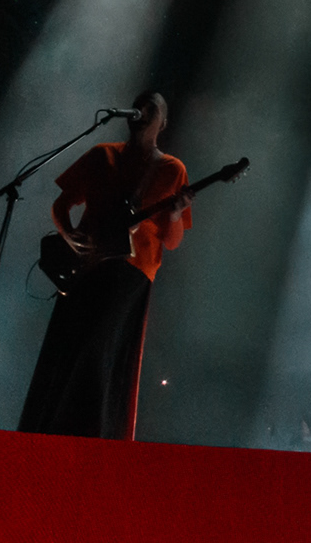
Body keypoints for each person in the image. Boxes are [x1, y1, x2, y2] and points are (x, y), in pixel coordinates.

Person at [18, 91, 192, 439]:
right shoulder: (102, 155)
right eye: (139, 104)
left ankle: (93, 437)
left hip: (130, 273)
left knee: (100, 350)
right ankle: (46, 431)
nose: (142, 110)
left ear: (164, 122)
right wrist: (69, 236)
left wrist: (174, 215)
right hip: (86, 265)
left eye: (152, 107)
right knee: (67, 346)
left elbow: (172, 241)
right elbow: (63, 203)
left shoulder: (172, 169)